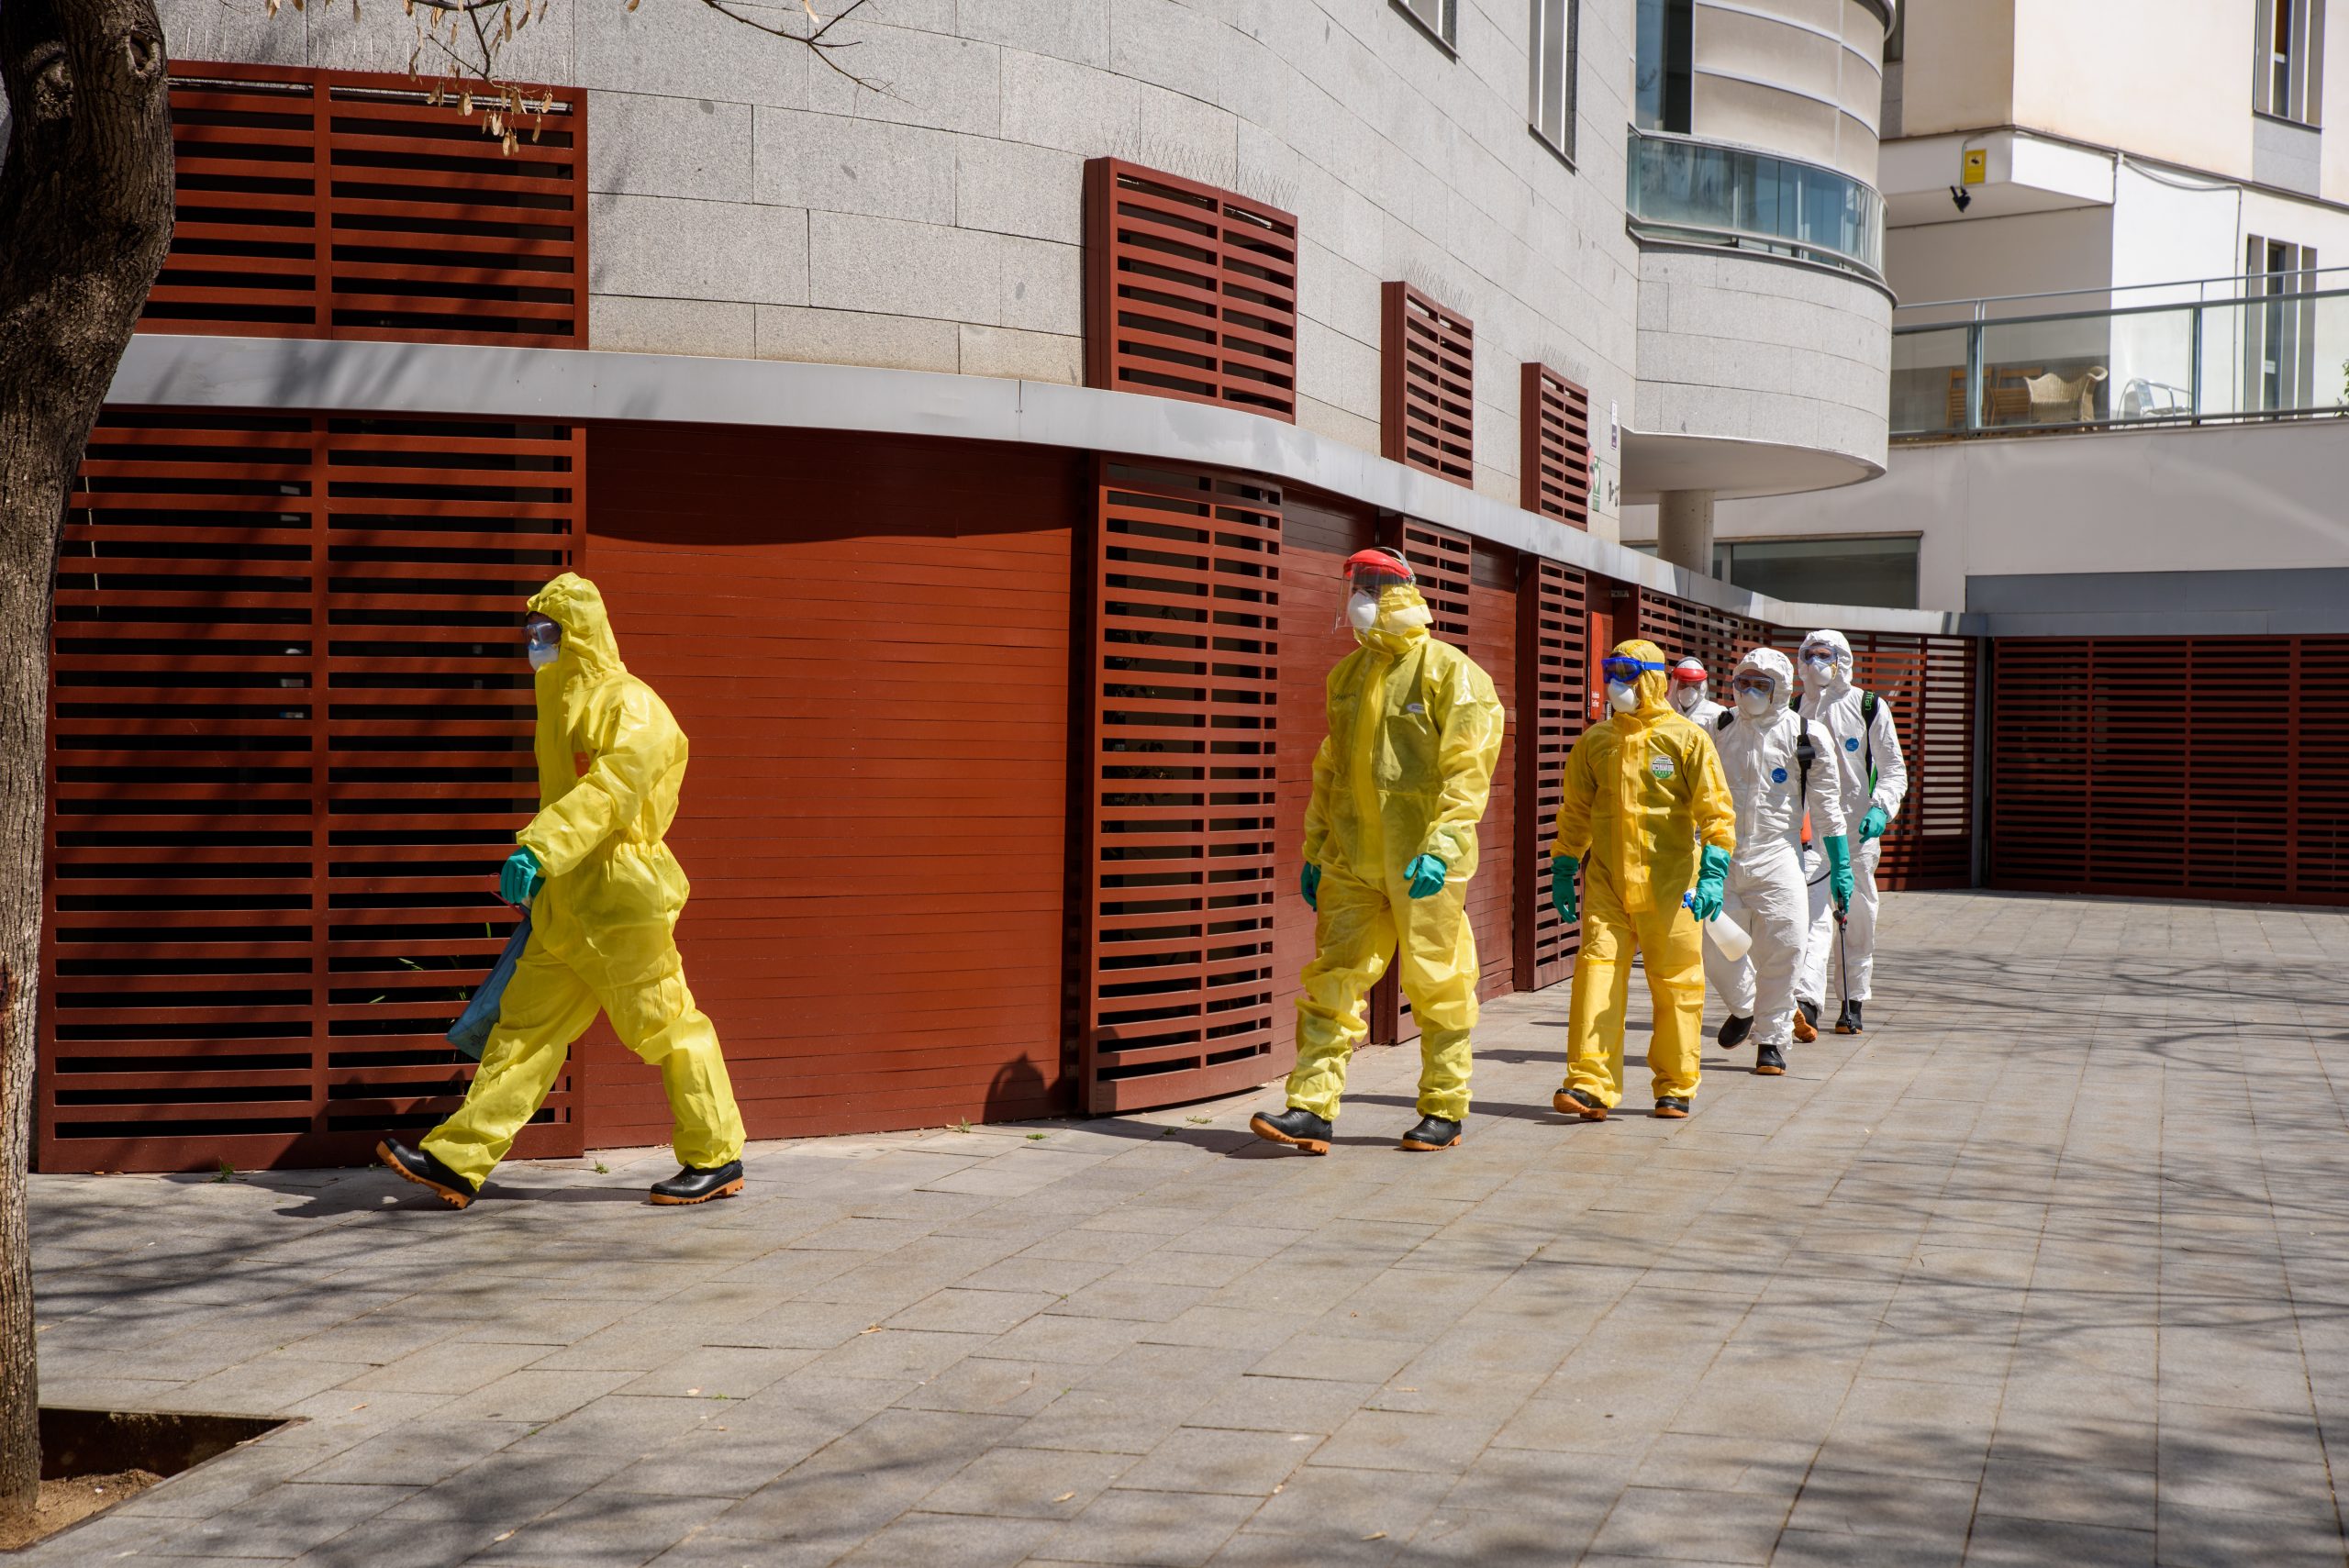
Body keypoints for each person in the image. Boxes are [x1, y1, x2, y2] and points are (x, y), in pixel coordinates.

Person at [379, 573, 748, 1208]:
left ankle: (716, 1155)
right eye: (531, 632)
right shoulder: (560, 696)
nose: (536, 643)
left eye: (547, 632)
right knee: (522, 1032)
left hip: (620, 898)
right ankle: (457, 1159)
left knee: (665, 1026)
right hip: (568, 901)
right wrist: (546, 868)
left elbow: (610, 791)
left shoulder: (630, 704)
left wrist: (540, 847)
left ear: (578, 632)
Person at [1251, 549, 1504, 1156]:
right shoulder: (1347, 675)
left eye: (1375, 584)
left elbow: (1468, 772)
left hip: (1423, 861)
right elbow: (1330, 768)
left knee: (1438, 978)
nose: (1362, 595)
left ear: (1405, 591)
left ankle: (1444, 1107)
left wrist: (1442, 845)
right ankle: (1311, 1106)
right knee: (1332, 978)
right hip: (1352, 858)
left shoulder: (1451, 673)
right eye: (1358, 585)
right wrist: (1316, 848)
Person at [1549, 639, 1735, 1120]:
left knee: (1676, 985)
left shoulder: (1687, 739)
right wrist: (1566, 864)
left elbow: (1716, 812)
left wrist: (1713, 873)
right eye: (1611, 672)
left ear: (1653, 679)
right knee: (1596, 974)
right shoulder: (1596, 741)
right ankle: (1589, 1083)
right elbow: (1576, 811)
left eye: (1627, 674)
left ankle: (1675, 1084)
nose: (1616, 684)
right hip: (1609, 884)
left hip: (1672, 884)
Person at [1701, 650, 1850, 1075]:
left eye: (1760, 685)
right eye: (1743, 682)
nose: (1749, 692)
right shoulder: (1718, 727)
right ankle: (1745, 1006)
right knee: (1713, 947)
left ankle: (1771, 1039)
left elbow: (1827, 808)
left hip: (1779, 853)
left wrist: (1840, 867)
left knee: (1785, 947)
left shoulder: (1807, 735)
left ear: (1780, 688)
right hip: (1721, 854)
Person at [1792, 628, 1909, 1036]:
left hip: (1857, 833)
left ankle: (1851, 1000)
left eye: (1824, 654)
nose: (1815, 662)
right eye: (1809, 654)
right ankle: (1807, 1000)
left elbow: (1893, 769)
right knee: (1811, 916)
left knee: (1856, 917)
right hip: (1810, 835)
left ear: (1841, 659)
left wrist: (1881, 809)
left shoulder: (1868, 705)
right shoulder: (1794, 708)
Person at [1668, 656, 1724, 728]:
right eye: (1683, 685)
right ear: (1675, 683)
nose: (1689, 691)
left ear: (1703, 686)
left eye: (1696, 686)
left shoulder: (1716, 714)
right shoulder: (1664, 710)